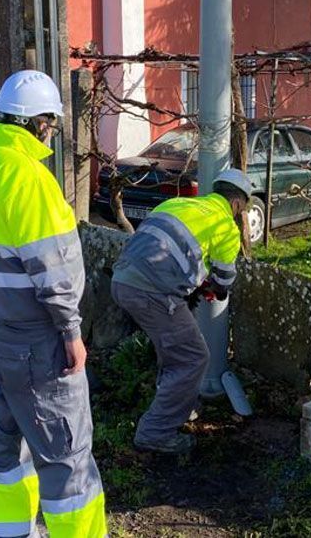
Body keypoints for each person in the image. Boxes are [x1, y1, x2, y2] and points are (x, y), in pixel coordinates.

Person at [0, 70, 106, 538]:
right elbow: (54, 270)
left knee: (7, 445)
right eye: (51, 124)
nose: (51, 132)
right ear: (39, 122)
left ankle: (11, 532)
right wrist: (71, 333)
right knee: (66, 456)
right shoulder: (30, 177)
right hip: (40, 339)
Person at [110, 168, 250, 454]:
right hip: (153, 292)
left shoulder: (177, 203)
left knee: (174, 351)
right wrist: (213, 287)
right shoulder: (225, 226)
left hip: (122, 279)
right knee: (193, 358)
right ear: (237, 204)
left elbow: (162, 246)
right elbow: (223, 281)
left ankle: (177, 406)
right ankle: (156, 433)